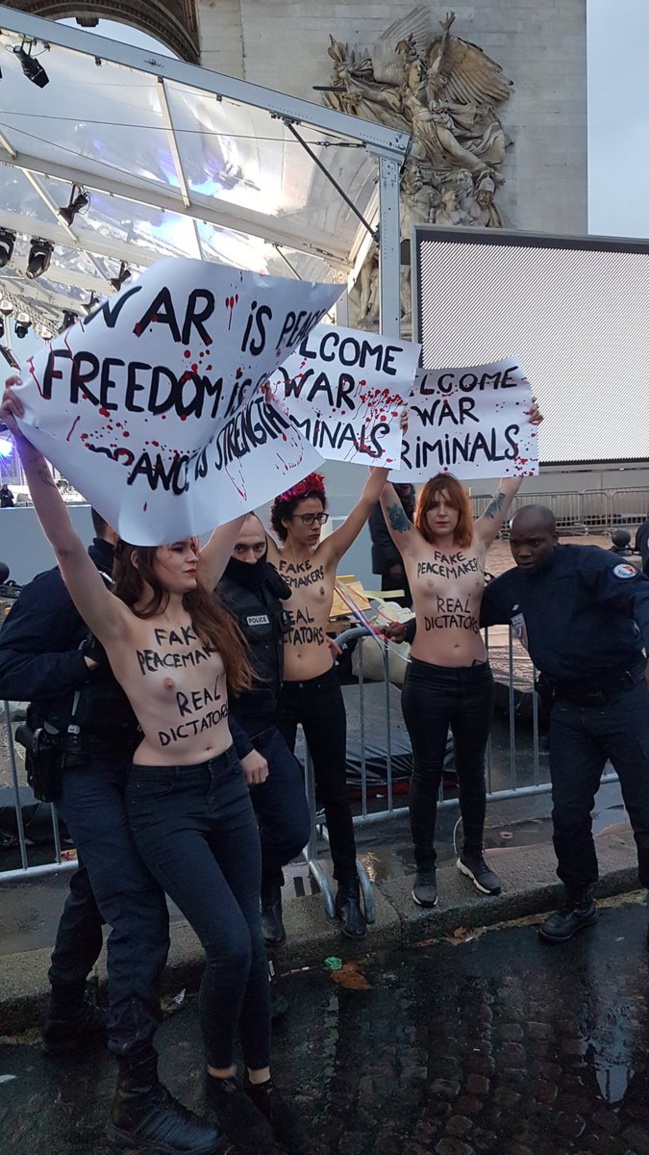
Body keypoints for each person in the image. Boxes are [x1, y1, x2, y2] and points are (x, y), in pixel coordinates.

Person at [1, 382, 307, 1155]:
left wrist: (256, 414)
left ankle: (241, 1075)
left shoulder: (196, 598)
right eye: (168, 537)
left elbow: (237, 500)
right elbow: (66, 550)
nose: (186, 543)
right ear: (130, 540)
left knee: (169, 917)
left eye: (186, 537)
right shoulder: (105, 613)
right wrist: (32, 450)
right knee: (147, 920)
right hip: (132, 783)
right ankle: (143, 1091)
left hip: (200, 784)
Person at [0, 511, 196, 1144]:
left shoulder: (162, 580)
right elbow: (8, 669)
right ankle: (137, 1093)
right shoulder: (64, 583)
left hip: (139, 763)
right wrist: (81, 667)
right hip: (86, 766)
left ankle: (64, 1018)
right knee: (137, 913)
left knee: (95, 885)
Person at [378, 400, 542, 909]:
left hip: (474, 680)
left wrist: (528, 430)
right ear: (423, 511)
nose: (442, 512)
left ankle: (474, 855)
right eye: (434, 505)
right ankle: (425, 865)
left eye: (450, 504)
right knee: (427, 772)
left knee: (473, 772)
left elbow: (510, 487)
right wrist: (388, 433)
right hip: (426, 681)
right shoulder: (410, 547)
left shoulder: (478, 545)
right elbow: (382, 489)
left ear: (461, 509)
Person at [481, 504, 649, 944]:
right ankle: (579, 899)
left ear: (554, 537)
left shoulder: (591, 564)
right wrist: (409, 626)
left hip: (625, 701)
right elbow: (465, 614)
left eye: (533, 542)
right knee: (569, 815)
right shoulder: (512, 586)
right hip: (570, 712)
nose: (523, 552)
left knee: (646, 810)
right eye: (516, 543)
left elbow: (640, 595)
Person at [267, 466, 390, 939]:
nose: (316, 524)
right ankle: (269, 897)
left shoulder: (328, 555)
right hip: (278, 695)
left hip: (321, 688)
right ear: (284, 518)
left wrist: (385, 451)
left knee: (337, 793)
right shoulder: (266, 560)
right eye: (306, 517)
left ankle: (348, 891)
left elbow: (364, 503)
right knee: (270, 796)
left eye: (320, 515)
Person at [217, 513, 311, 946]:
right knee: (234, 836)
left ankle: (264, 886)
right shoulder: (210, 599)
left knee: (293, 827)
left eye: (258, 548)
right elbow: (204, 687)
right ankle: (257, 905)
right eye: (240, 549)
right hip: (226, 741)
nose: (251, 557)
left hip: (268, 728)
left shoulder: (268, 584)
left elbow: (274, 644)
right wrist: (240, 747)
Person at [369, 482, 415, 607]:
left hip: (408, 559)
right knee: (394, 602)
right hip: (394, 563)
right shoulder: (381, 500)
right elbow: (379, 533)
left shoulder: (409, 496)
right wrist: (392, 562)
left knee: (407, 600)